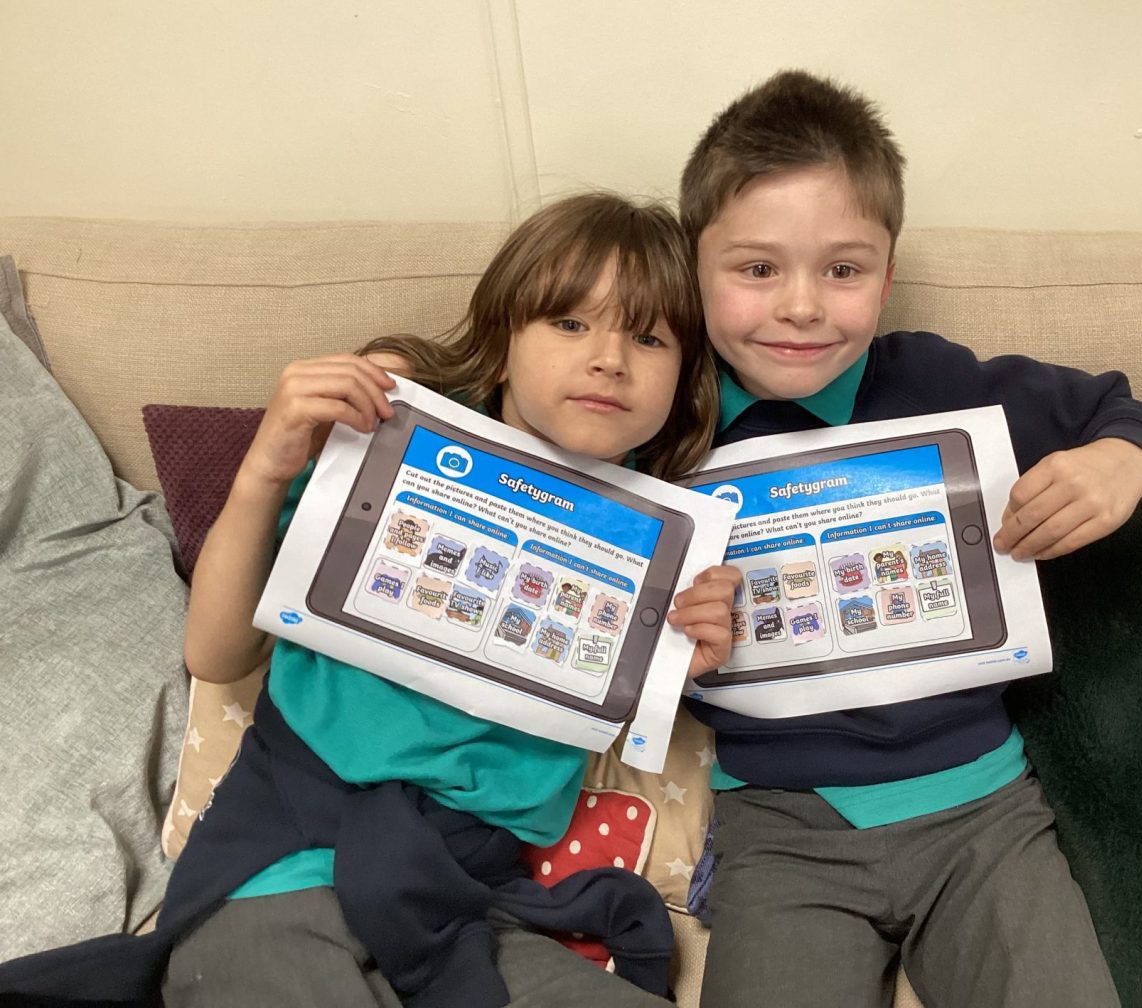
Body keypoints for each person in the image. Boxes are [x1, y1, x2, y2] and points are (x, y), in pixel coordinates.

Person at [0, 193, 740, 1008]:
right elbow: (214, 654)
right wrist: (265, 468)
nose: (608, 359)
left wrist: (679, 667)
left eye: (648, 338)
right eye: (569, 322)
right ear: (500, 349)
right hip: (284, 863)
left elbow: (613, 712)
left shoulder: (667, 545)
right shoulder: (389, 451)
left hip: (459, 899)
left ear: (683, 381)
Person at [679, 70, 1142, 1008]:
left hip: (981, 811)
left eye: (842, 269)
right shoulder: (663, 415)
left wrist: (1120, 460)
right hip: (778, 830)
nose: (800, 306)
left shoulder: (940, 383)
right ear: (691, 267)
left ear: (887, 275)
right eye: (756, 269)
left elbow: (1116, 407)